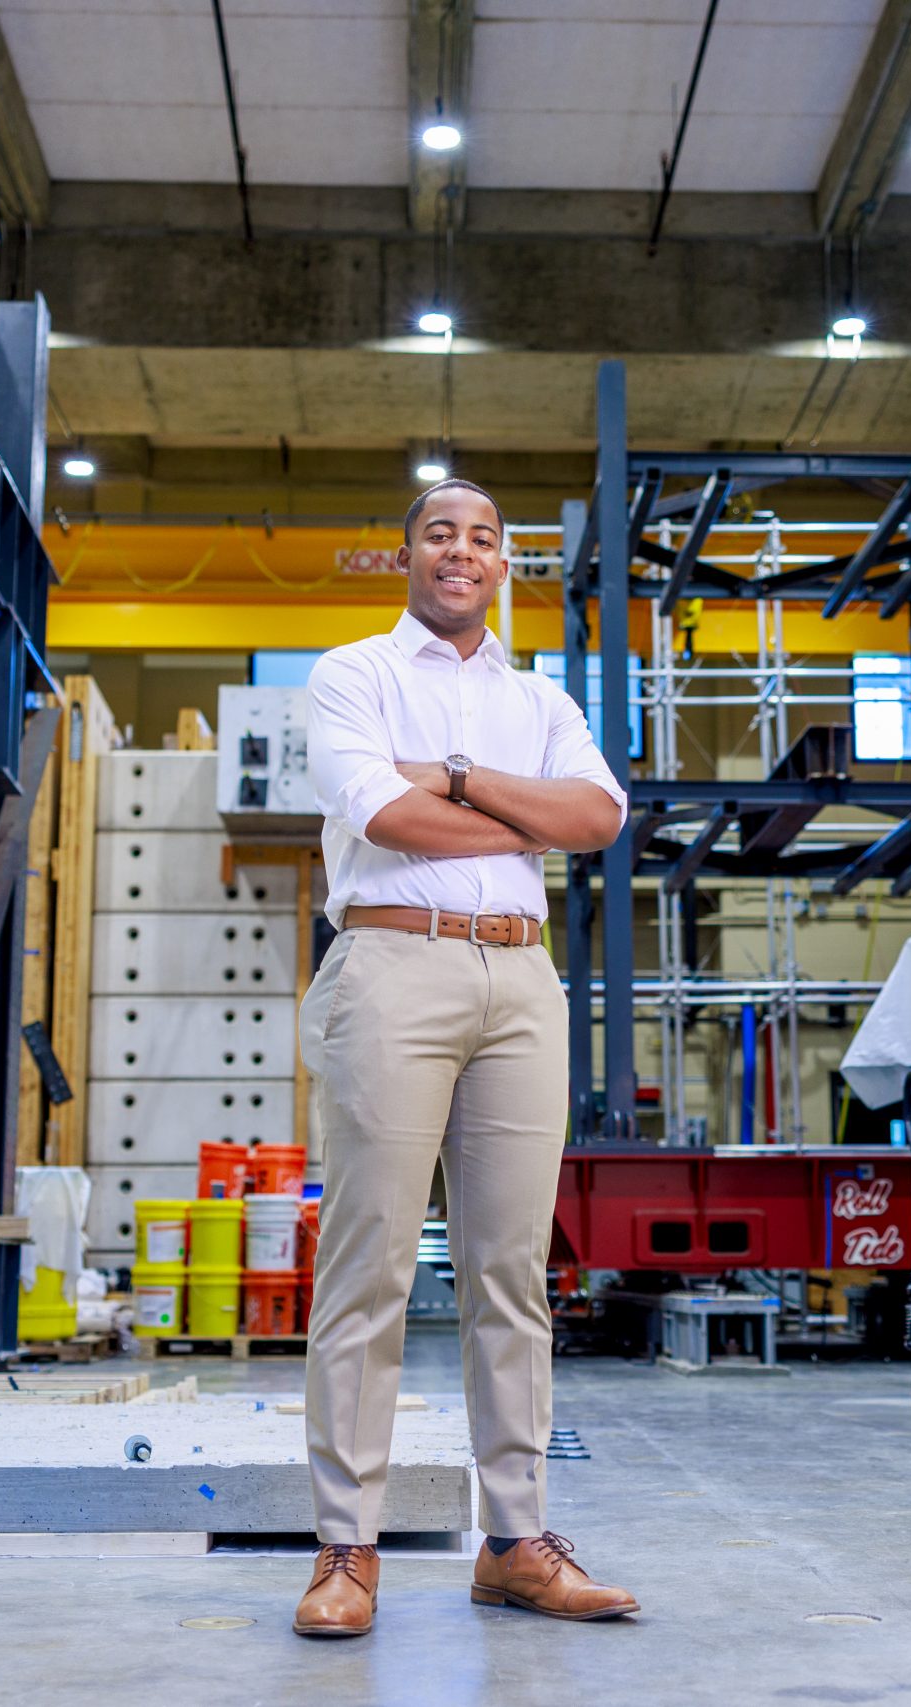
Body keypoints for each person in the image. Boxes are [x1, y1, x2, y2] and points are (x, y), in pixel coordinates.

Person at [290, 477, 639, 1639]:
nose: (462, 549)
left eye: (484, 537)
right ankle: (347, 1552)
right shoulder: (352, 675)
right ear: (408, 555)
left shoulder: (538, 699)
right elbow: (383, 817)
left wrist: (457, 778)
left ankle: (514, 1545)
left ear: (503, 567)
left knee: (510, 1275)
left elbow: (597, 819)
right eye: (441, 531)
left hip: (521, 981)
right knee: (371, 1268)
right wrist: (518, 815)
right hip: (391, 966)